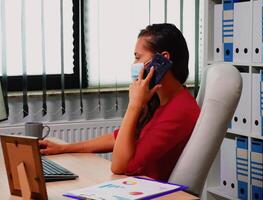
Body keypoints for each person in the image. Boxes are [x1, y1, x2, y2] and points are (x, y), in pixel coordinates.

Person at [39, 23, 200, 181]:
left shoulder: (180, 110)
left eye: (138, 57)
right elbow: (119, 138)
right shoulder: (159, 101)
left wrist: (134, 105)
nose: (134, 64)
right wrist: (64, 148)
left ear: (162, 59)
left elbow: (120, 166)